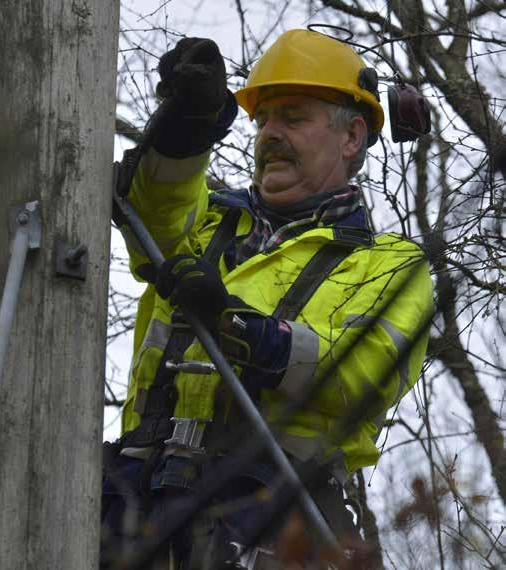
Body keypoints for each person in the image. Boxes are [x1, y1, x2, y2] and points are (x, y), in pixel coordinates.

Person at [101, 29, 433, 569]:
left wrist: (238, 329)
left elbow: (363, 374)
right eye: (264, 120)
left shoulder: (388, 264)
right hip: (134, 496)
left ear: (351, 137)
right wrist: (185, 128)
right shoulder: (207, 225)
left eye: (292, 118)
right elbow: (155, 211)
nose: (269, 134)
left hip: (273, 514)